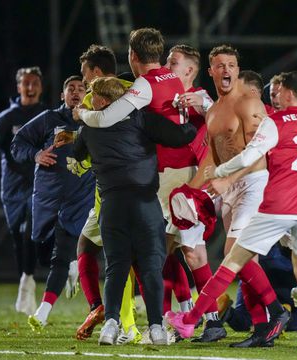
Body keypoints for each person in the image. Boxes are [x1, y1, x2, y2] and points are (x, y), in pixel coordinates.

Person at [167, 71, 297, 352]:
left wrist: (220, 172)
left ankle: (190, 319)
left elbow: (248, 156)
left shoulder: (276, 122)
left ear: (289, 94)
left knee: (232, 261)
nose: (276, 94)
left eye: (280, 90)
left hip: (279, 205)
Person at [75, 28, 225, 342]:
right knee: (174, 254)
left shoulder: (145, 86)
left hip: (164, 180)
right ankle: (181, 320)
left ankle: (150, 323)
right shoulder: (172, 80)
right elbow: (188, 124)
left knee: (139, 259)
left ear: (132, 55)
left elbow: (105, 119)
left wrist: (83, 113)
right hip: (173, 175)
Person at [73, 76, 197, 345]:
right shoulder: (143, 119)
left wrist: (84, 121)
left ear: (104, 101)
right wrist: (192, 117)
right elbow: (181, 136)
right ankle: (155, 328)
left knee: (116, 268)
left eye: (93, 95)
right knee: (151, 267)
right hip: (145, 204)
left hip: (112, 206)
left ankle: (110, 325)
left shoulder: (89, 128)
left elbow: (76, 152)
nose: (90, 99)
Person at [216, 70, 297, 333]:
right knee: (245, 262)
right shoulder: (230, 113)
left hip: (267, 197)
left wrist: (220, 175)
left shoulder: (269, 120)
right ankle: (259, 325)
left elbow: (250, 159)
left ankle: (282, 314)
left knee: (236, 255)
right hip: (240, 193)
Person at [10, 76, 94, 331]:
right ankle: (71, 266)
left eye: (82, 89)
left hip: (80, 200)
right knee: (41, 248)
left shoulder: (96, 120)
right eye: (71, 89)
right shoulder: (49, 119)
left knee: (61, 254)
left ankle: (42, 311)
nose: (76, 93)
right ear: (62, 95)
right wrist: (35, 154)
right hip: (47, 197)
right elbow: (18, 143)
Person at [162, 44, 229, 342]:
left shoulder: (200, 97)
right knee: (167, 251)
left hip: (190, 187)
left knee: (191, 251)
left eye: (173, 62)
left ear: (189, 70)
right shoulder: (162, 94)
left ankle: (205, 319)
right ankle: (185, 314)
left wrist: (200, 105)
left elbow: (215, 114)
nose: (167, 65)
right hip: (163, 185)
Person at [73, 44, 140, 343]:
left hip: (110, 192)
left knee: (112, 257)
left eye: (86, 75)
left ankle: (124, 324)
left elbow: (86, 147)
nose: (85, 82)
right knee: (159, 254)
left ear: (97, 73)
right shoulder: (138, 90)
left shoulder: (93, 98)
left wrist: (77, 159)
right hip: (146, 182)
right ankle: (184, 308)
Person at [0, 66, 47, 315]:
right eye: (25, 83)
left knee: (30, 233)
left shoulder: (46, 115)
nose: (30, 87)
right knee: (19, 239)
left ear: (40, 86)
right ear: (18, 87)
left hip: (38, 187)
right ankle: (25, 283)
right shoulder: (8, 117)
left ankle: (28, 282)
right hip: (13, 189)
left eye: (34, 82)